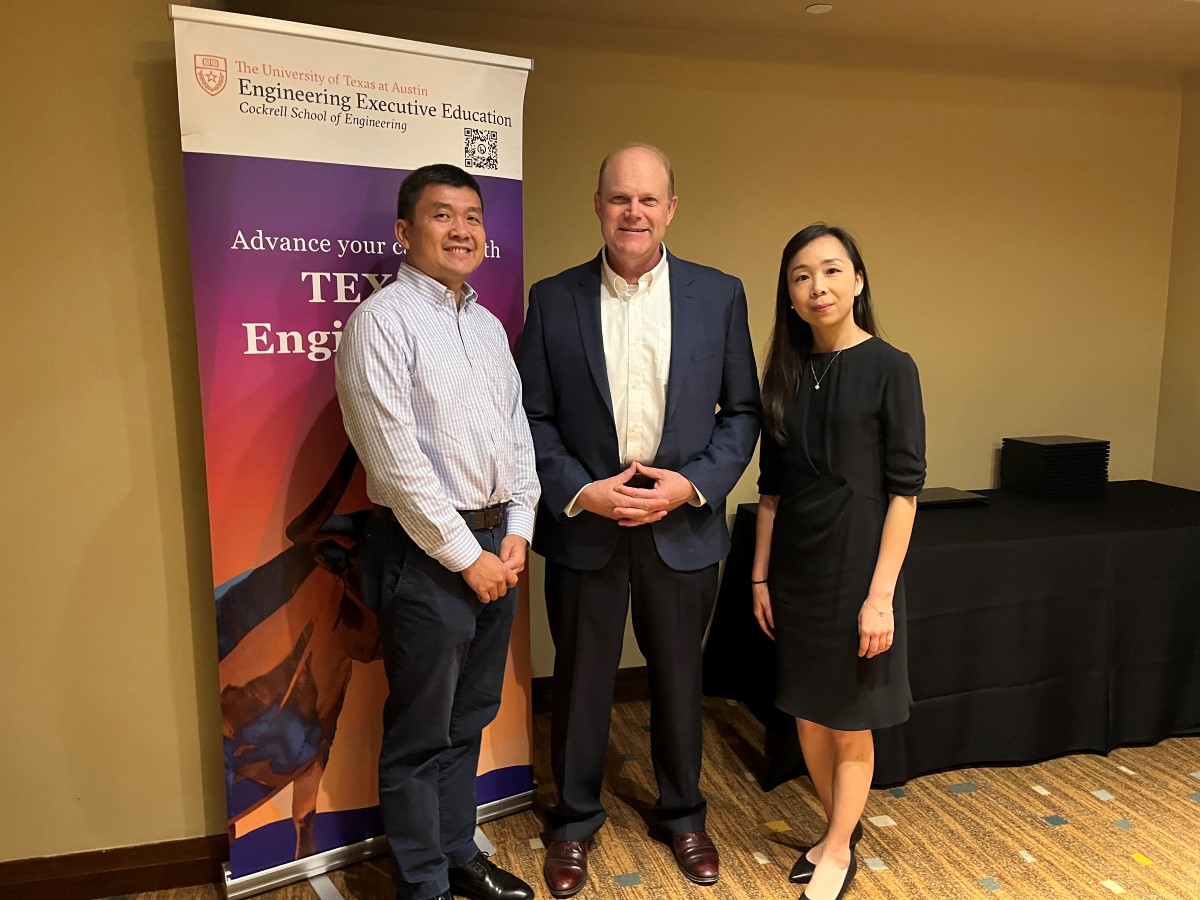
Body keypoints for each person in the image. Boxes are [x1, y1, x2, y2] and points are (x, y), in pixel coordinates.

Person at [518, 143, 760, 897]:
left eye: (648, 199)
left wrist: (690, 486)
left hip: (681, 527)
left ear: (671, 209)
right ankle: (576, 821)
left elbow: (742, 412)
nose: (633, 212)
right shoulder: (552, 299)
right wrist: (580, 491)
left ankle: (684, 813)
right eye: (619, 198)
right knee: (584, 683)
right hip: (587, 526)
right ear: (597, 205)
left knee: (681, 681)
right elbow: (532, 416)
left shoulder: (718, 295)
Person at [336, 163, 539, 900]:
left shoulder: (486, 327)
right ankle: (423, 885)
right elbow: (393, 466)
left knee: (469, 720)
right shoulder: (380, 324)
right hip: (426, 557)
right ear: (404, 231)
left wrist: (517, 530)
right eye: (442, 215)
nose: (462, 230)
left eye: (473, 217)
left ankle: (460, 857)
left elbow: (517, 437)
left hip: (497, 550)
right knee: (421, 734)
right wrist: (467, 558)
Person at [751, 224, 926, 900]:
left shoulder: (891, 366)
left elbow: (905, 493)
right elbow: (771, 491)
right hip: (796, 568)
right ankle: (835, 833)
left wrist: (880, 597)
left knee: (850, 717)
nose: (817, 287)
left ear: (857, 280)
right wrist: (761, 576)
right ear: (789, 296)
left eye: (830, 271)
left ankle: (835, 849)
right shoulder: (787, 373)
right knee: (808, 711)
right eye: (801, 276)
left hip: (859, 569)